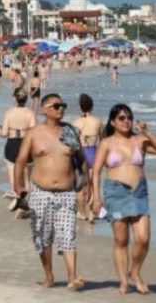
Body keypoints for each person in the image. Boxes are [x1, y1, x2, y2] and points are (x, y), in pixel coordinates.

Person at [91, 103, 156, 295]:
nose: (126, 121)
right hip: (116, 193)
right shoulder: (106, 143)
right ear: (113, 122)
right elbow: (96, 171)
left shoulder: (140, 140)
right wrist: (96, 198)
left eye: (129, 118)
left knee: (143, 238)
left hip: (138, 192)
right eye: (121, 118)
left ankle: (135, 271)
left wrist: (147, 132)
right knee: (121, 240)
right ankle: (124, 281)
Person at [13, 94, 87, 291]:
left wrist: (86, 184)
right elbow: (21, 160)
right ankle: (49, 276)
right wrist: (18, 187)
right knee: (42, 237)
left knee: (68, 235)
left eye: (63, 105)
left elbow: (81, 159)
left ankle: (72, 277)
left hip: (66, 192)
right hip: (40, 192)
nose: (60, 109)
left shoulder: (69, 131)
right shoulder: (34, 133)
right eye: (56, 106)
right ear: (44, 109)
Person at [0, 88, 37, 200]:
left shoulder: (9, 113)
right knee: (27, 178)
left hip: (12, 144)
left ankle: (17, 200)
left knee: (13, 175)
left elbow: (4, 134)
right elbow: (34, 132)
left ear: (15, 98)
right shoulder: (30, 113)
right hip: (26, 144)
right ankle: (28, 201)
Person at [70, 93, 103, 222]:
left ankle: (81, 212)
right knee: (94, 184)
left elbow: (72, 142)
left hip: (80, 153)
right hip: (93, 151)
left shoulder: (75, 122)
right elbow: (103, 139)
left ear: (80, 106)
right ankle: (91, 214)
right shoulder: (97, 121)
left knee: (81, 184)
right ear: (92, 106)